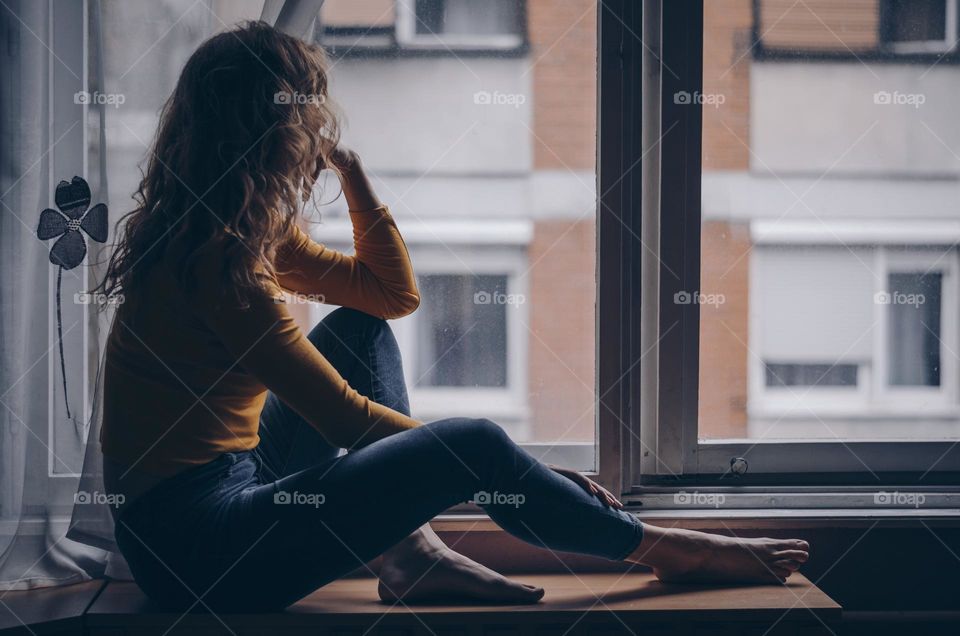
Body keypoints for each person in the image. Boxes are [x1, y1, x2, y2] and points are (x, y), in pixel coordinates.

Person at [97, 21, 809, 612]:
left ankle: (412, 554)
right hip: (197, 552)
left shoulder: (233, 231)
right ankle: (666, 549)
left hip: (232, 482)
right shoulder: (220, 268)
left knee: (360, 334)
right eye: (308, 117)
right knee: (472, 442)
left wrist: (351, 171)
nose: (316, 129)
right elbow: (343, 421)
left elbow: (388, 295)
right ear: (275, 132)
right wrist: (517, 467)